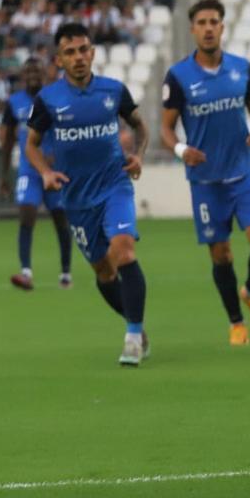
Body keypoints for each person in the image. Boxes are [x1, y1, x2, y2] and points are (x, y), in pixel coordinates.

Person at [26, 23, 150, 367]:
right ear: (59, 59)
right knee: (103, 271)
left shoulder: (113, 91)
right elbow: (31, 145)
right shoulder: (48, 100)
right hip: (77, 199)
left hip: (115, 185)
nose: (78, 57)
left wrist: (138, 154)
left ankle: (132, 337)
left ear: (93, 52)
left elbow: (140, 125)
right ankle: (137, 327)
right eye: (70, 52)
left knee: (123, 251)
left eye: (83, 50)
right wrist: (46, 172)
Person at [160, 0, 250, 347]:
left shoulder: (240, 68)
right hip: (206, 182)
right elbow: (165, 128)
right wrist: (181, 150)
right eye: (202, 22)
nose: (209, 28)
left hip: (244, 174)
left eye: (214, 21)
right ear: (193, 29)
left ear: (222, 27)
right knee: (220, 254)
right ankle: (236, 323)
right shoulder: (178, 76)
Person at [0, 58, 73, 291]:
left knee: (61, 219)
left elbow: (68, 130)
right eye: (28, 71)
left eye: (37, 70)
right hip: (28, 170)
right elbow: (8, 138)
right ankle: (26, 272)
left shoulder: (56, 98)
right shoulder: (14, 103)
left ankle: (65, 272)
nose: (32, 75)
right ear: (23, 75)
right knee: (26, 214)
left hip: (54, 169)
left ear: (45, 74)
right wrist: (3, 174)